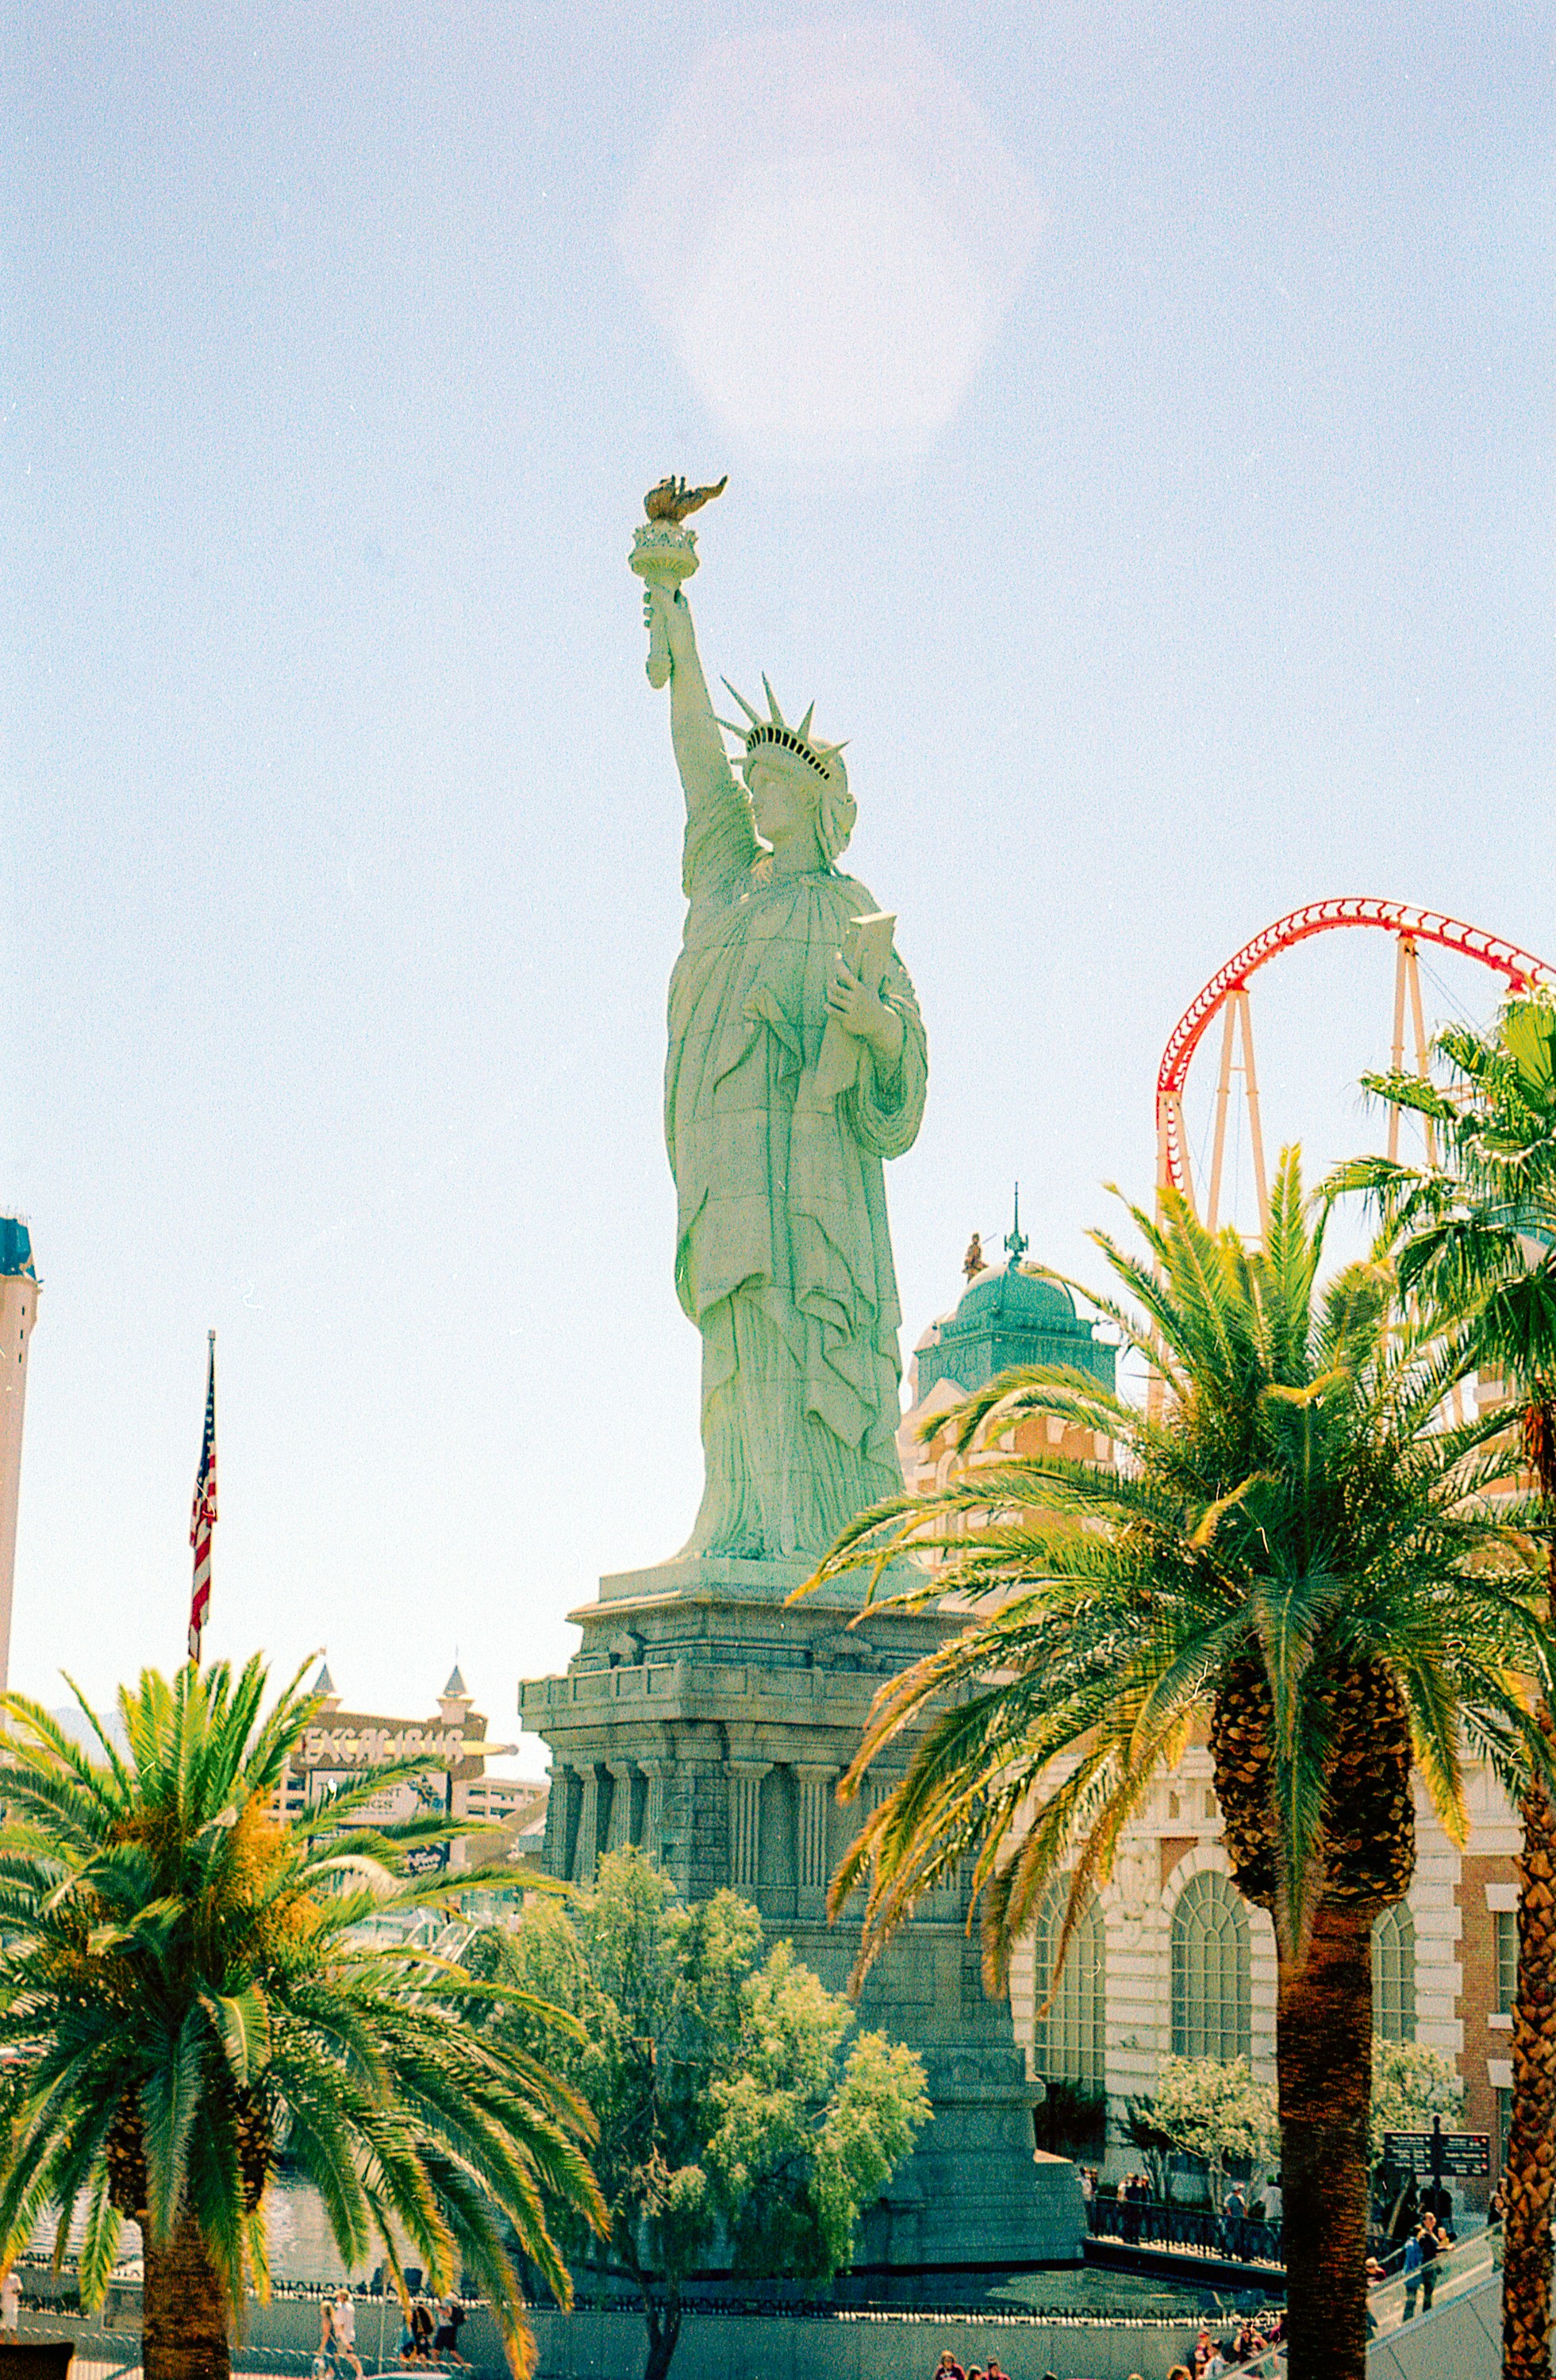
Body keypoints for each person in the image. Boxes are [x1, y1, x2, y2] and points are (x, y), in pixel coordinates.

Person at [647, 578, 928, 1562]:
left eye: (771, 784)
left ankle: (833, 1533)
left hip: (816, 1178)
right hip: (726, 1166)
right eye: (753, 782)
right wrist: (673, 616)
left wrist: (877, 1029)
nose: (751, 794)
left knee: (814, 1335)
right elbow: (693, 763)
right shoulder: (724, 883)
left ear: (814, 802)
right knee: (737, 1347)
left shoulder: (848, 909)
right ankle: (739, 1519)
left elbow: (904, 1061)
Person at [432, 2294, 471, 2367]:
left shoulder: (446, 2299)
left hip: (446, 2328)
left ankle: (437, 2370)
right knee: (452, 2352)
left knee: (436, 2351)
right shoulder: (446, 2298)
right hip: (448, 2328)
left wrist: (439, 2310)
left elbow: (449, 2314)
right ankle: (465, 2367)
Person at [1402, 2224, 1423, 2320]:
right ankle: (1407, 2318)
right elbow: (1413, 2260)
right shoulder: (1413, 2245)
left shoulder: (1412, 2243)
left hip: (1412, 2278)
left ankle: (1409, 2317)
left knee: (1412, 2299)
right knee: (1411, 2299)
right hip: (1411, 2278)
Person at [0, 2268, 19, 2333]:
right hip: (2, 2309)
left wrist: (14, 2291)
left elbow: (19, 2290)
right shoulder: (1, 2279)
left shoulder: (15, 2278)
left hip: (12, 2309)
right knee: (2, 2331)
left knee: (13, 2330)